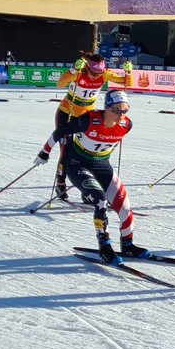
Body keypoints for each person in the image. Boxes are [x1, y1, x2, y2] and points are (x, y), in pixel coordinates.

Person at [33, 90, 146, 264]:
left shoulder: (127, 125)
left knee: (125, 208)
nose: (121, 115)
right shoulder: (88, 120)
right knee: (100, 200)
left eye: (125, 110)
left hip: (102, 166)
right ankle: (105, 247)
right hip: (78, 165)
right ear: (106, 108)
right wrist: (44, 153)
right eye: (116, 110)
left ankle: (128, 245)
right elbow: (58, 133)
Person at [51, 53, 133, 200]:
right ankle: (60, 184)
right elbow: (60, 83)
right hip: (67, 113)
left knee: (87, 153)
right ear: (87, 68)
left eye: (99, 73)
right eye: (93, 73)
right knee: (65, 150)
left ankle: (88, 190)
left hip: (87, 117)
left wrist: (128, 72)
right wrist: (73, 70)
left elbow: (127, 82)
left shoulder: (104, 74)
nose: (96, 76)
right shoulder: (79, 74)